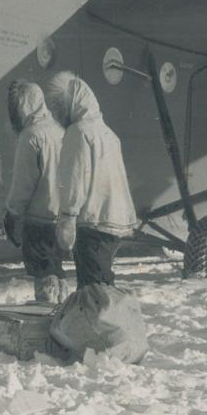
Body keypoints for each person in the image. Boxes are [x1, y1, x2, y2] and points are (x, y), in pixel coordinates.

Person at [44, 71, 139, 288]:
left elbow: (74, 181)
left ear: (70, 103)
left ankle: (104, 321)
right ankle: (106, 318)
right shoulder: (108, 134)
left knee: (94, 289)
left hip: (93, 222)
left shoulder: (78, 133)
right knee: (101, 281)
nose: (57, 113)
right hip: (114, 221)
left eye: (59, 105)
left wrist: (67, 219)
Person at [3, 79, 69, 303]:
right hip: (62, 218)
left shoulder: (30, 136)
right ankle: (62, 318)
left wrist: (12, 213)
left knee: (43, 277)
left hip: (38, 219)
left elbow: (23, 183)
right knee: (57, 272)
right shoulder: (60, 130)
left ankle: (44, 320)